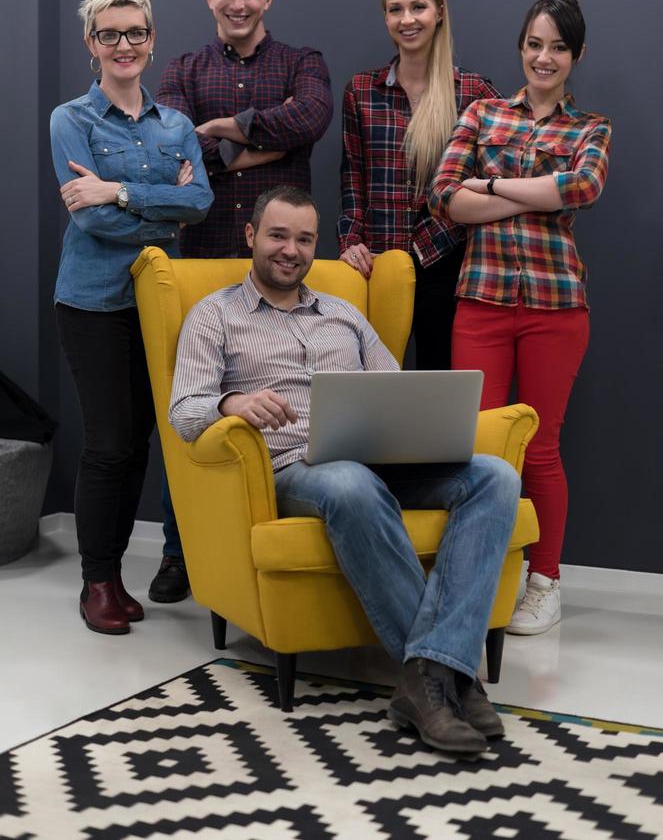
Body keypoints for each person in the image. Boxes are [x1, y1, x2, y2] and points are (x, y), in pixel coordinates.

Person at [169, 185, 521, 758]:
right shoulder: (215, 316)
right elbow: (184, 412)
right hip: (295, 468)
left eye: (304, 239)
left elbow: (393, 390)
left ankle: (432, 674)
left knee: (495, 477)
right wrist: (232, 403)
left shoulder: (344, 314)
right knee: (350, 482)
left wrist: (417, 424)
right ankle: (450, 680)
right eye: (278, 235)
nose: (291, 250)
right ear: (251, 236)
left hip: (379, 458)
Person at [152, 0, 334, 600]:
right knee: (193, 409)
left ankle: (275, 546)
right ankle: (180, 552)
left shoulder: (301, 62)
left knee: (288, 408)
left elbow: (310, 116)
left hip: (282, 268)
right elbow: (174, 153)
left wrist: (225, 125)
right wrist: (260, 140)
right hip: (202, 264)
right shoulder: (180, 68)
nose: (237, 3)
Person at [429, 0, 611, 635]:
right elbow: (447, 197)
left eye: (556, 47)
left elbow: (583, 185)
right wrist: (538, 194)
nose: (542, 57)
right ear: (520, 48)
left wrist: (496, 185)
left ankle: (544, 581)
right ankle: (482, 576)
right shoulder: (480, 114)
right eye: (534, 44)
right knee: (479, 448)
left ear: (575, 54)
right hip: (479, 303)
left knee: (537, 450)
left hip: (554, 308)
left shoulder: (589, 128)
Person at [51, 0, 213, 635]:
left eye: (136, 33)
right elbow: (90, 226)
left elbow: (198, 202)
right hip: (92, 301)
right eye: (110, 34)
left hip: (156, 300)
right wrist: (153, 198)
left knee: (142, 441)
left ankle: (113, 573)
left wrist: (114, 191)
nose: (125, 45)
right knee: (109, 444)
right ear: (92, 44)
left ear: (151, 40)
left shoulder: (175, 125)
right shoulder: (71, 119)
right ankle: (99, 579)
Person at [338, 0, 500, 370]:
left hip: (447, 260)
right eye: (396, 9)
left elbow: (507, 166)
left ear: (440, 12)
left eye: (418, 7)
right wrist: (349, 241)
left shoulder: (473, 92)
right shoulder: (362, 90)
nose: (406, 19)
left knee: (437, 383)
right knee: (370, 387)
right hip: (377, 263)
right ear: (386, 18)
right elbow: (352, 177)